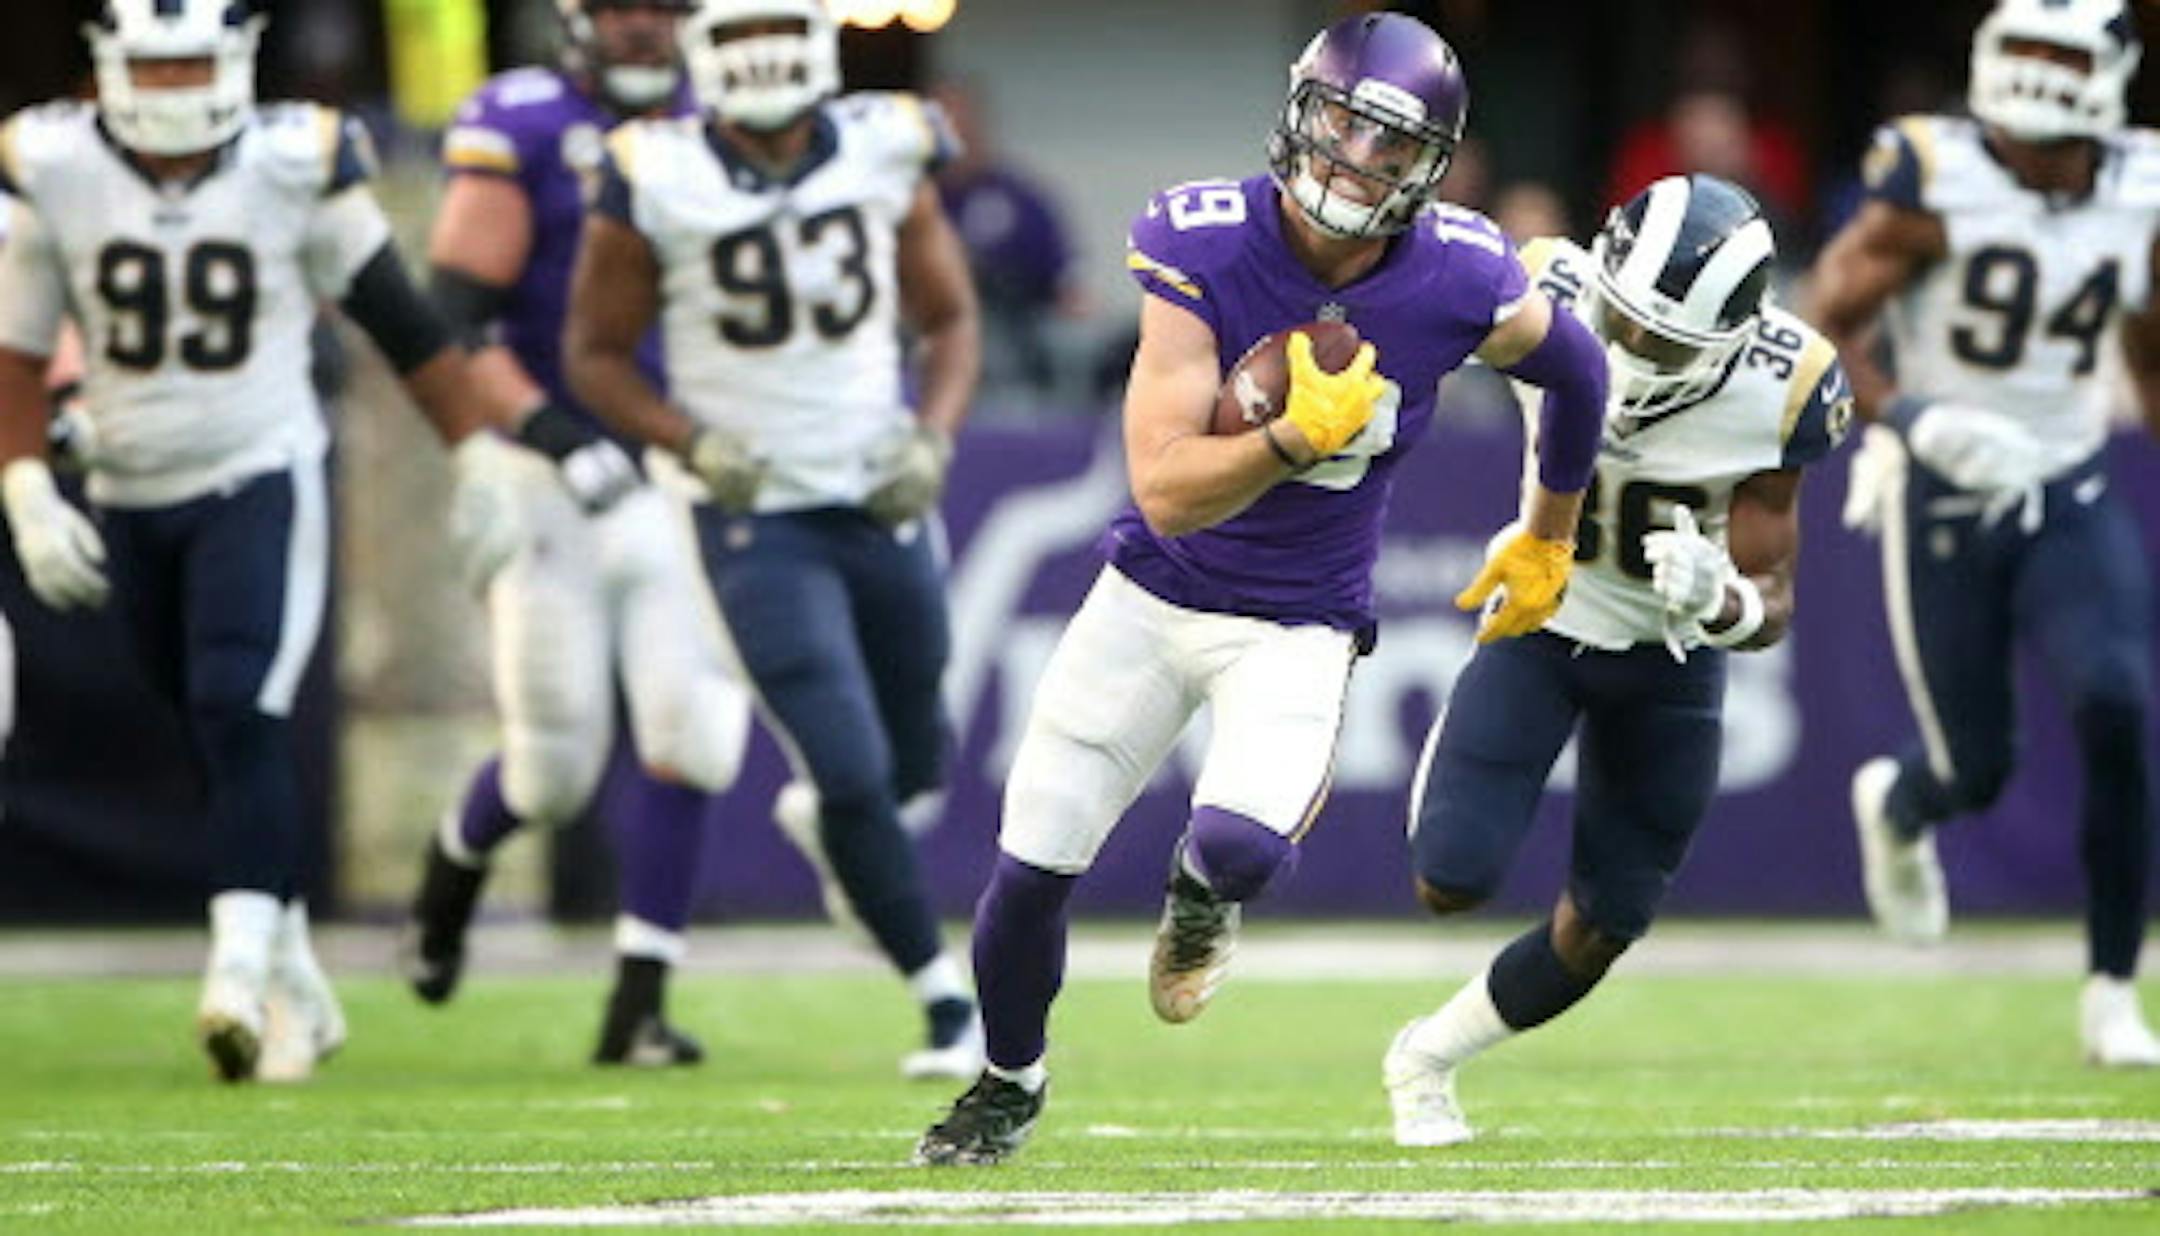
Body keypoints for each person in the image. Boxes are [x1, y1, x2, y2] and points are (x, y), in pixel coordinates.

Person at [913, 12, 1609, 1167]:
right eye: (1343, 122)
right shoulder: (1209, 242)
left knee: (1240, 849)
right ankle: (1007, 1081)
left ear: (1428, 166)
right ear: (1301, 109)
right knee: (1030, 868)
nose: (1356, 158)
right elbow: (1168, 489)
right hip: (1151, 595)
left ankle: (1198, 896)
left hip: (1299, 619)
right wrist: (1290, 439)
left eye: (1392, 145)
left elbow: (1576, 371)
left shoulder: (1457, 271)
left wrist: (1551, 534)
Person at [0, 0, 538, 1082]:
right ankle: (294, 975)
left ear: (237, 62)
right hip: (127, 484)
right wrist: (26, 485)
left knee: (239, 704)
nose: (172, 96)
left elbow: (399, 314)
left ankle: (237, 975)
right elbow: (15, 349)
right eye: (151, 74)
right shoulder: (53, 163)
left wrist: (474, 451)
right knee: (206, 727)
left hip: (259, 469)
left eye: (190, 68)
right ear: (106, 71)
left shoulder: (295, 158)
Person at [562, 0, 985, 1080]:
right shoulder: (653, 168)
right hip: (753, 511)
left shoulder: (890, 143)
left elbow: (949, 319)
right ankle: (945, 1006)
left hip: (877, 492)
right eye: (737, 35)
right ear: (710, 51)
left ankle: (848, 834)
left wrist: (932, 438)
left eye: (775, 31)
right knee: (845, 765)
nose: (761, 58)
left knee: (911, 761)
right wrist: (688, 440)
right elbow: (596, 356)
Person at [1385, 174, 1850, 1146]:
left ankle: (1427, 1054)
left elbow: (1774, 601)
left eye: (1665, 342)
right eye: (1625, 323)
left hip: (1669, 660)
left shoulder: (1788, 380)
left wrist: (1718, 598)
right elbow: (1394, 321)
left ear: (1728, 340)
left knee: (1602, 926)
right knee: (1449, 879)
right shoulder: (1543, 285)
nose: (1634, 351)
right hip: (1542, 625)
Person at [400, 0, 755, 1068]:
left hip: (680, 461)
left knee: (689, 730)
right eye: (622, 9)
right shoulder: (520, 121)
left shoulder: (738, 113)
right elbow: (451, 315)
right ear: (578, 21)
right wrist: (552, 432)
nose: (645, 30)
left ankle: (637, 1001)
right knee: (553, 765)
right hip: (545, 464)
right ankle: (450, 874)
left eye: (663, 10)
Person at [1807, 0, 2160, 1068]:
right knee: (1977, 768)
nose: (2042, 79)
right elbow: (1820, 325)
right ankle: (1904, 802)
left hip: (2067, 482)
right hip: (1943, 493)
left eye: (2065, 55)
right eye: (2031, 51)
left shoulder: (2142, 185)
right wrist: (1914, 418)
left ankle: (2110, 988)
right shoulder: (1933, 175)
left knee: (2115, 703)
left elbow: (2147, 340)